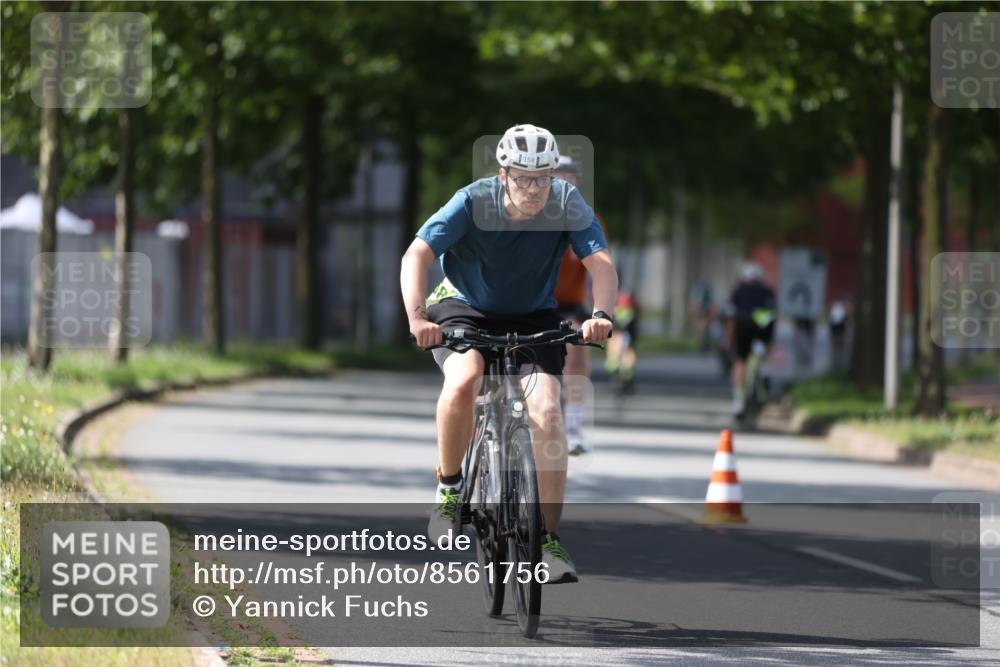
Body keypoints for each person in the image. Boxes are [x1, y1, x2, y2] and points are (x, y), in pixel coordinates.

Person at [401, 124, 618, 584]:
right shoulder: (472, 201)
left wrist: (601, 313)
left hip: (531, 316)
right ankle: (448, 488)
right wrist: (418, 318)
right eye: (523, 177)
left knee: (548, 413)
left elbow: (600, 263)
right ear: (503, 175)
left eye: (543, 177)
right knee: (464, 379)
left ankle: (548, 541)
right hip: (464, 305)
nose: (534, 188)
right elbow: (416, 255)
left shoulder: (566, 202)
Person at [551, 155, 604, 456]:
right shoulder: (532, 216)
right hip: (529, 303)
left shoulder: (587, 220)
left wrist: (600, 312)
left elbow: (599, 269)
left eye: (570, 176)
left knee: (578, 348)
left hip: (568, 305)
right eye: (558, 175)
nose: (565, 180)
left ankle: (572, 425)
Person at [723, 262, 776, 420]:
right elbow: (771, 318)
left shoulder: (737, 292)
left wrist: (729, 338)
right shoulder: (768, 292)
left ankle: (738, 402)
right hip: (761, 329)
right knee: (760, 358)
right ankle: (762, 377)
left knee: (740, 362)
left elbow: (731, 317)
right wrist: (769, 342)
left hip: (743, 329)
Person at [604, 290, 640, 394]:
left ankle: (622, 372)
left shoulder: (619, 307)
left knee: (626, 352)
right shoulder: (622, 307)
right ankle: (622, 372)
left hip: (624, 333)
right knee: (624, 351)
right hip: (622, 333)